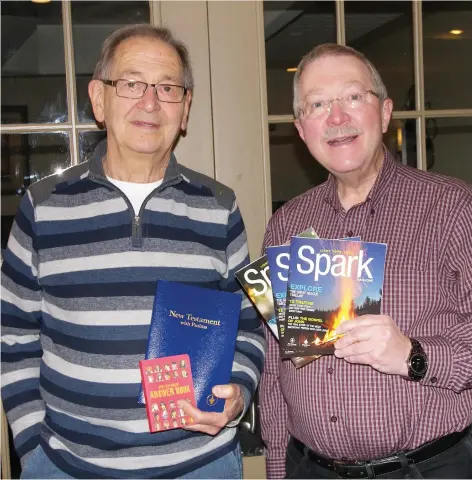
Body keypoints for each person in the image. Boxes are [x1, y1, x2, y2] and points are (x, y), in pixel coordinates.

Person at [1, 24, 266, 479]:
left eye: (168, 88)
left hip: (201, 465)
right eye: (131, 83)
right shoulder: (42, 207)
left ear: (185, 110)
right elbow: (14, 337)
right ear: (99, 100)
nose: (150, 102)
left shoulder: (219, 208)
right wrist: (33, 450)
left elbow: (249, 324)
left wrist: (239, 391)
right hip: (68, 467)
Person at [259, 43, 472, 479]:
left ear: (386, 110)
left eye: (353, 97)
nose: (337, 118)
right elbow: (274, 368)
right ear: (302, 129)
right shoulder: (286, 226)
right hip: (310, 470)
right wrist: (279, 469)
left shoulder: (453, 208)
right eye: (318, 104)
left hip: (427, 469)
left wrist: (415, 356)